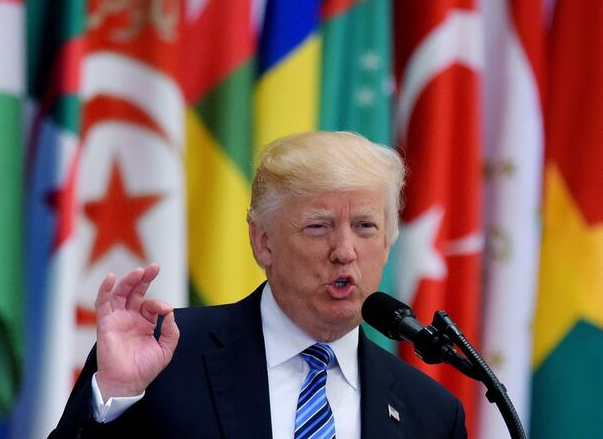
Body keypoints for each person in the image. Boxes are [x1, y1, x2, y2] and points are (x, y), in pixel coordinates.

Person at [49, 131, 467, 439]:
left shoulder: (430, 413)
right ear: (262, 240)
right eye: (319, 227)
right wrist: (116, 396)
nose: (345, 251)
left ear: (388, 242)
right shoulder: (163, 359)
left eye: (365, 227)